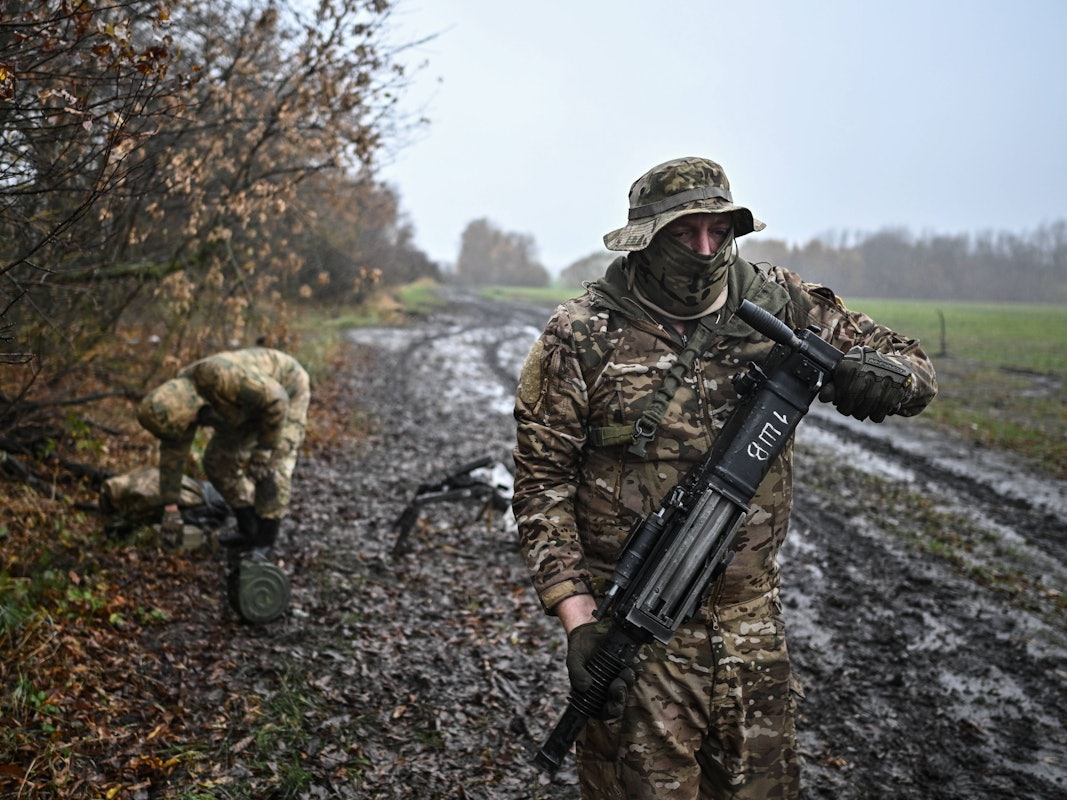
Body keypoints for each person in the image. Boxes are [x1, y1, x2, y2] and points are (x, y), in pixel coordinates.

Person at [512, 156, 938, 799]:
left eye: (720, 232)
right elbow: (541, 485)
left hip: (752, 628)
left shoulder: (780, 302)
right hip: (639, 631)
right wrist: (579, 621)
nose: (705, 250)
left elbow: (915, 369)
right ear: (647, 240)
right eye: (685, 235)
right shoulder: (581, 335)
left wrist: (882, 376)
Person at [137, 347, 310, 552]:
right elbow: (172, 459)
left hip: (286, 390)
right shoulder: (175, 408)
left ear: (192, 408)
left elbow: (277, 400)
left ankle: (265, 541)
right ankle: (249, 529)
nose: (194, 426)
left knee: (272, 466)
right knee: (217, 461)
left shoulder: (218, 377)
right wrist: (171, 509)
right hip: (244, 411)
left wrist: (264, 450)